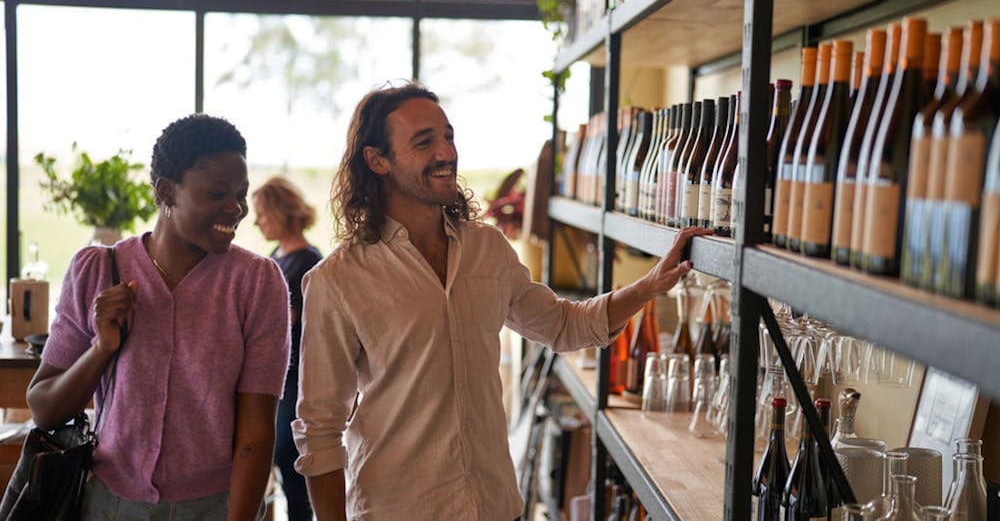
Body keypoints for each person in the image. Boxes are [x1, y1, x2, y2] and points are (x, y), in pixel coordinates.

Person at [292, 82, 711, 520]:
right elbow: (319, 428)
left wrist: (648, 286)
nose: (446, 153)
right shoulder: (338, 280)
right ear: (377, 160)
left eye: (448, 136)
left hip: (495, 506)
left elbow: (563, 326)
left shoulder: (486, 248)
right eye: (424, 142)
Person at [26, 114, 291, 520]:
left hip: (215, 507)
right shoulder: (97, 269)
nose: (235, 209)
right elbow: (44, 408)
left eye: (240, 193)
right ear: (166, 192)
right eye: (217, 193)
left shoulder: (256, 282)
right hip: (108, 506)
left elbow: (256, 433)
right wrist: (101, 349)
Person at [252, 176, 323, 521]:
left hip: (296, 377)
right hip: (275, 375)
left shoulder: (309, 260)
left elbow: (305, 325)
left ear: (280, 213)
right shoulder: (275, 257)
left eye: (262, 214)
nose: (256, 222)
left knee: (289, 454)